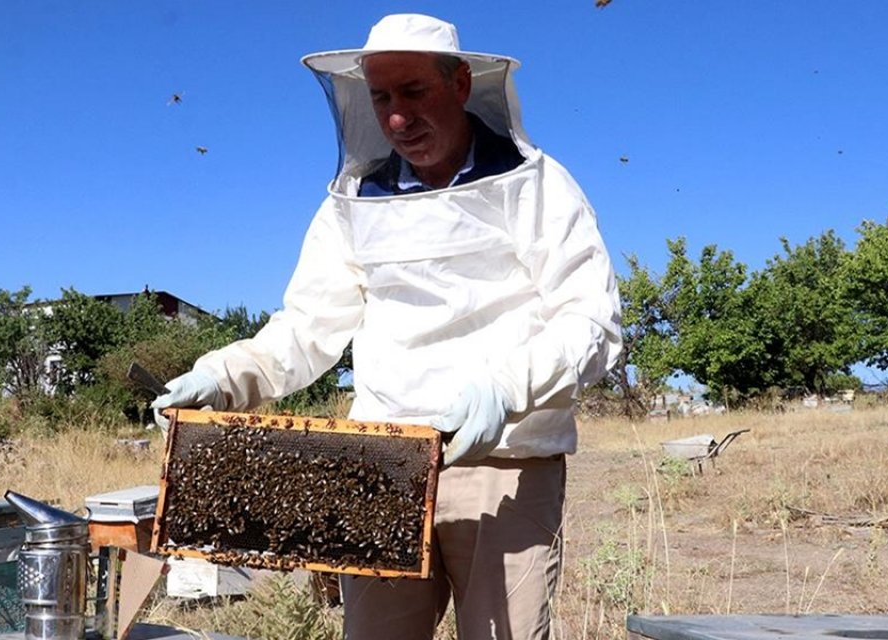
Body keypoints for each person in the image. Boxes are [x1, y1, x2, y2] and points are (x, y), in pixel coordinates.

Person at [152, 13, 622, 640]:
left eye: (414, 91)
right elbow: (307, 326)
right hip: (382, 464)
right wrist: (223, 376)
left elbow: (591, 320)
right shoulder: (353, 202)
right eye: (381, 97)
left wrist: (506, 389)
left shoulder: (537, 185)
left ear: (460, 84)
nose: (397, 118)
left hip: (504, 463)